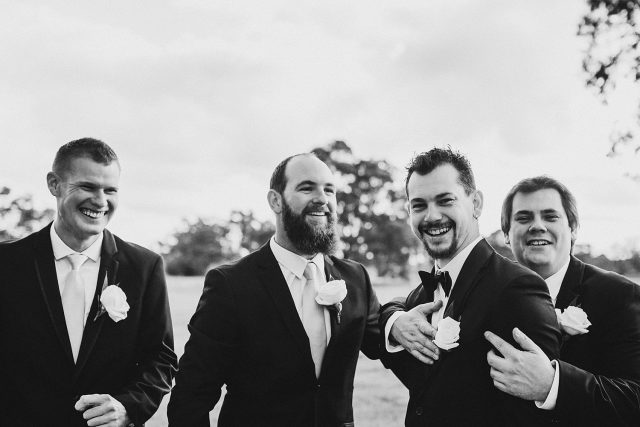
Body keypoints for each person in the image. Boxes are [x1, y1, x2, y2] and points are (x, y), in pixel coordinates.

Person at [167, 153, 382, 426]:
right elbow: (191, 394)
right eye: (307, 188)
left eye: (330, 190)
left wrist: (399, 317)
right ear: (275, 201)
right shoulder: (230, 284)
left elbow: (383, 338)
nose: (323, 198)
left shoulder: (355, 277)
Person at [0, 138, 177, 427]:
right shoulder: (6, 264)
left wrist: (129, 407)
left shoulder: (144, 267)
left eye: (110, 190)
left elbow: (161, 358)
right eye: (87, 187)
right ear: (54, 185)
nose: (100, 201)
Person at [379, 147, 561, 426]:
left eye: (445, 200)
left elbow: (540, 416)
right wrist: (394, 319)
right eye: (419, 205)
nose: (431, 216)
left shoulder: (517, 287)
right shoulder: (420, 296)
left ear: (475, 203)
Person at [484, 176, 640, 426]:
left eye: (550, 216)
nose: (537, 226)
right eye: (523, 218)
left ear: (574, 228)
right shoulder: (487, 290)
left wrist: (552, 385)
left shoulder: (620, 295)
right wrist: (396, 318)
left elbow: (635, 399)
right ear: (506, 233)